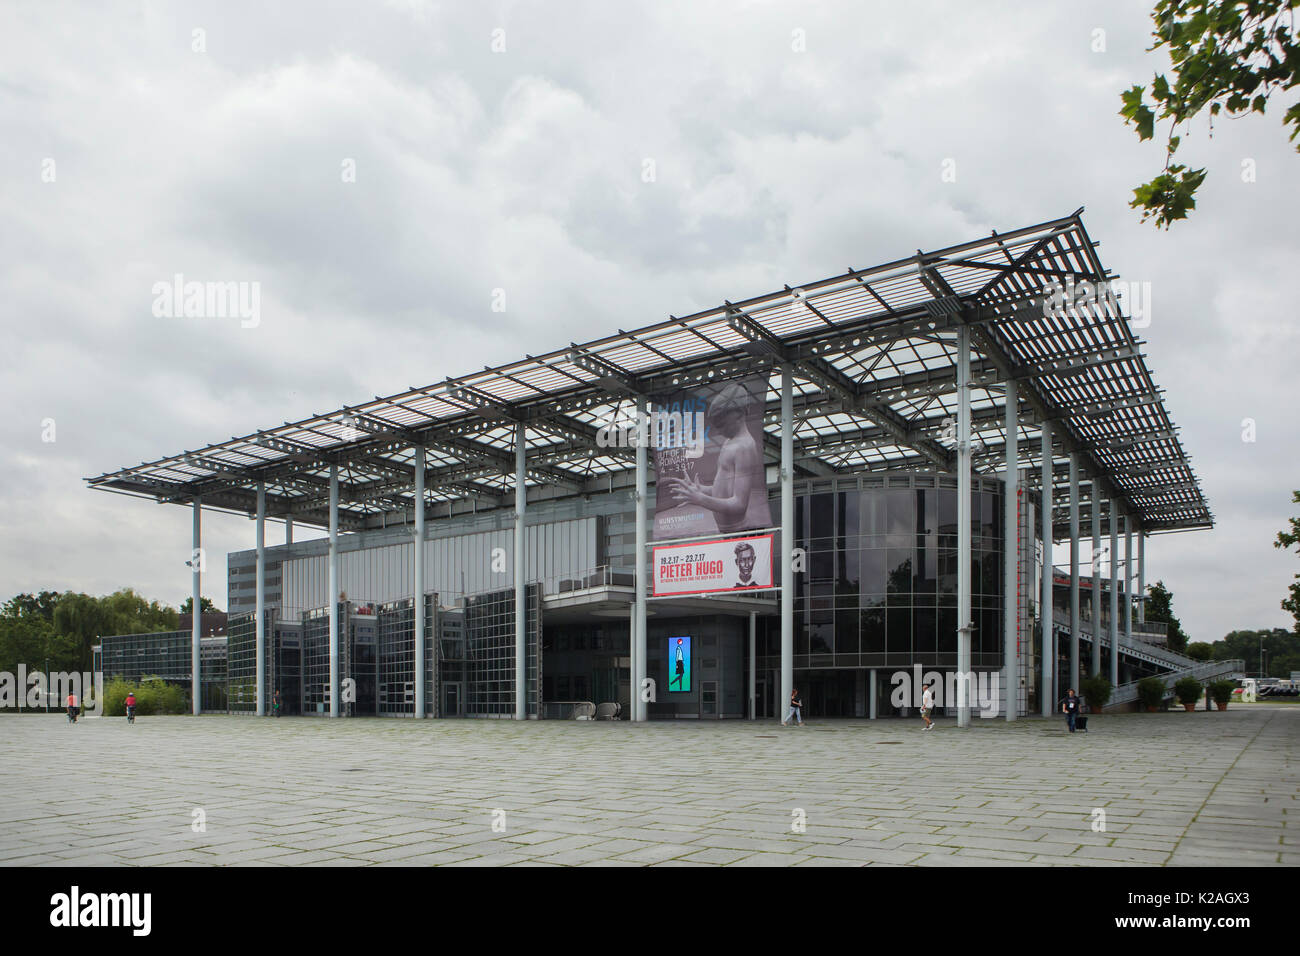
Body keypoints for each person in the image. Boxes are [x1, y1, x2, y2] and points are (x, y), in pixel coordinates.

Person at [665, 382, 767, 533]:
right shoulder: (730, 442)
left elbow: (739, 504)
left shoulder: (744, 446)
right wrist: (701, 490)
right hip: (728, 531)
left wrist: (700, 499)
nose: (720, 431)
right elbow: (725, 490)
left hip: (738, 531)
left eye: (723, 425)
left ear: (739, 416)